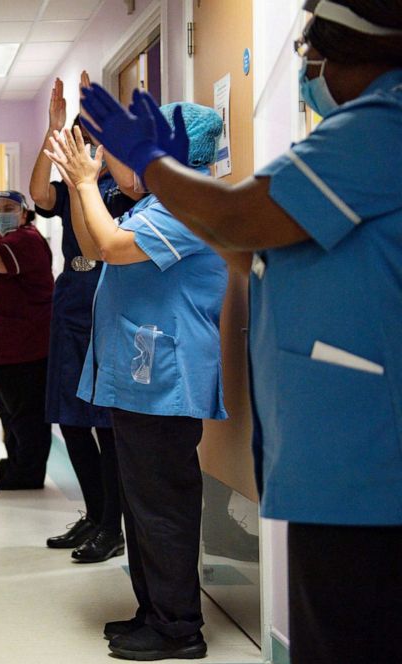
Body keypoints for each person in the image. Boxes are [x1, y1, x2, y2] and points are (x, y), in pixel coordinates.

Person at [77, 2, 402, 661]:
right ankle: (158, 613)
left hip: (364, 453)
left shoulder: (381, 125)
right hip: (337, 444)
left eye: (317, 58)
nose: (310, 73)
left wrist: (156, 168)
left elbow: (235, 222)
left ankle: (172, 623)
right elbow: (242, 247)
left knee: (348, 628)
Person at [46, 101, 227, 661]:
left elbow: (109, 247)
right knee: (142, 505)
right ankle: (154, 613)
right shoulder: (153, 205)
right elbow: (89, 238)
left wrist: (84, 178)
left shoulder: (186, 206)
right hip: (141, 379)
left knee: (162, 507)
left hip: (166, 383)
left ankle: (179, 628)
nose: (113, 158)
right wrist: (84, 187)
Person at [31, 76, 140, 561]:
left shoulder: (126, 184)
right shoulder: (74, 184)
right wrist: (52, 130)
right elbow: (37, 194)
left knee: (104, 421)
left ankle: (112, 525)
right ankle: (95, 515)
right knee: (69, 417)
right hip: (71, 296)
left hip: (105, 295)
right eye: (79, 133)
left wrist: (104, 127)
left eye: (91, 133)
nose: (85, 141)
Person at [0, 190, 54, 490]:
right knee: (10, 416)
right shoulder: (1, 238)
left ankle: (28, 474)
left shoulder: (27, 240)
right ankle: (15, 467)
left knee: (27, 417)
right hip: (7, 346)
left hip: (28, 346)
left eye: (9, 208)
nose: (2, 213)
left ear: (24, 213)